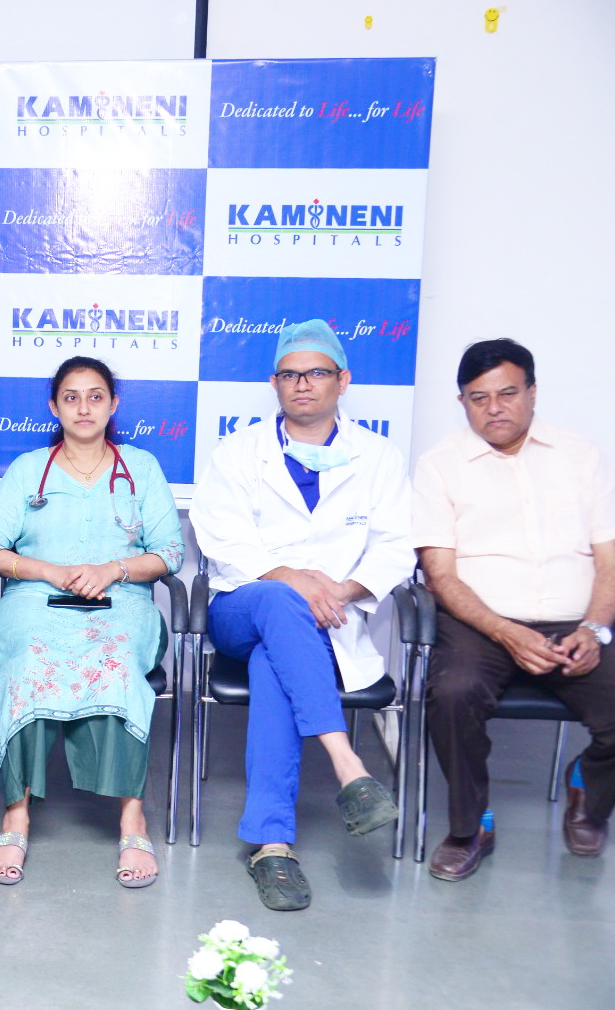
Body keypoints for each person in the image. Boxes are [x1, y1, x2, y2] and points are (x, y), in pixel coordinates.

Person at [192, 319, 413, 911]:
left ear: (343, 380)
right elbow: (221, 538)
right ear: (275, 384)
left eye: (316, 372)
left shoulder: (378, 457)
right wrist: (293, 580)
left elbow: (396, 546)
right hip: (243, 607)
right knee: (279, 607)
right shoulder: (238, 453)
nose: (303, 384)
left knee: (275, 664)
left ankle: (272, 847)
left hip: (330, 619)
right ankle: (348, 764)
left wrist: (340, 591)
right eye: (289, 375)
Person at [414, 338, 615, 880]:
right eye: (478, 398)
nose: (494, 408)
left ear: (533, 392)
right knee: (453, 694)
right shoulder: (439, 467)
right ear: (461, 402)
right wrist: (507, 632)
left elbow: (613, 560)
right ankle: (470, 826)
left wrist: (594, 630)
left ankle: (589, 786)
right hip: (480, 623)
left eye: (507, 393)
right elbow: (440, 576)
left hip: (576, 622)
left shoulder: (582, 456)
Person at [0, 357, 184, 888]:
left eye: (95, 396)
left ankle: (132, 817)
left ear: (113, 405)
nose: (83, 408)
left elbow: (170, 552)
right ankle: (16, 814)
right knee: (30, 659)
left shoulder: (141, 469)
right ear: (54, 407)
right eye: (71, 397)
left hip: (120, 599)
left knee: (114, 660)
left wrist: (113, 570)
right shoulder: (28, 470)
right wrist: (49, 571)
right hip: (35, 599)